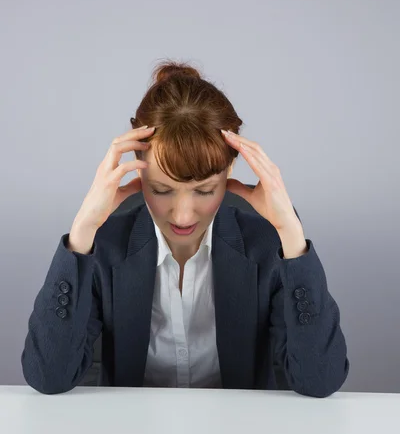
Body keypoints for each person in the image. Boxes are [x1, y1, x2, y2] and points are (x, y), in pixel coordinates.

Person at [21, 60, 349, 397]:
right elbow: (49, 375)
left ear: (230, 167)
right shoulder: (104, 239)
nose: (182, 216)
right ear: (137, 169)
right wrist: (82, 232)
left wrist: (291, 236)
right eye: (162, 190)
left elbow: (319, 379)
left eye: (204, 191)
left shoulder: (267, 239)